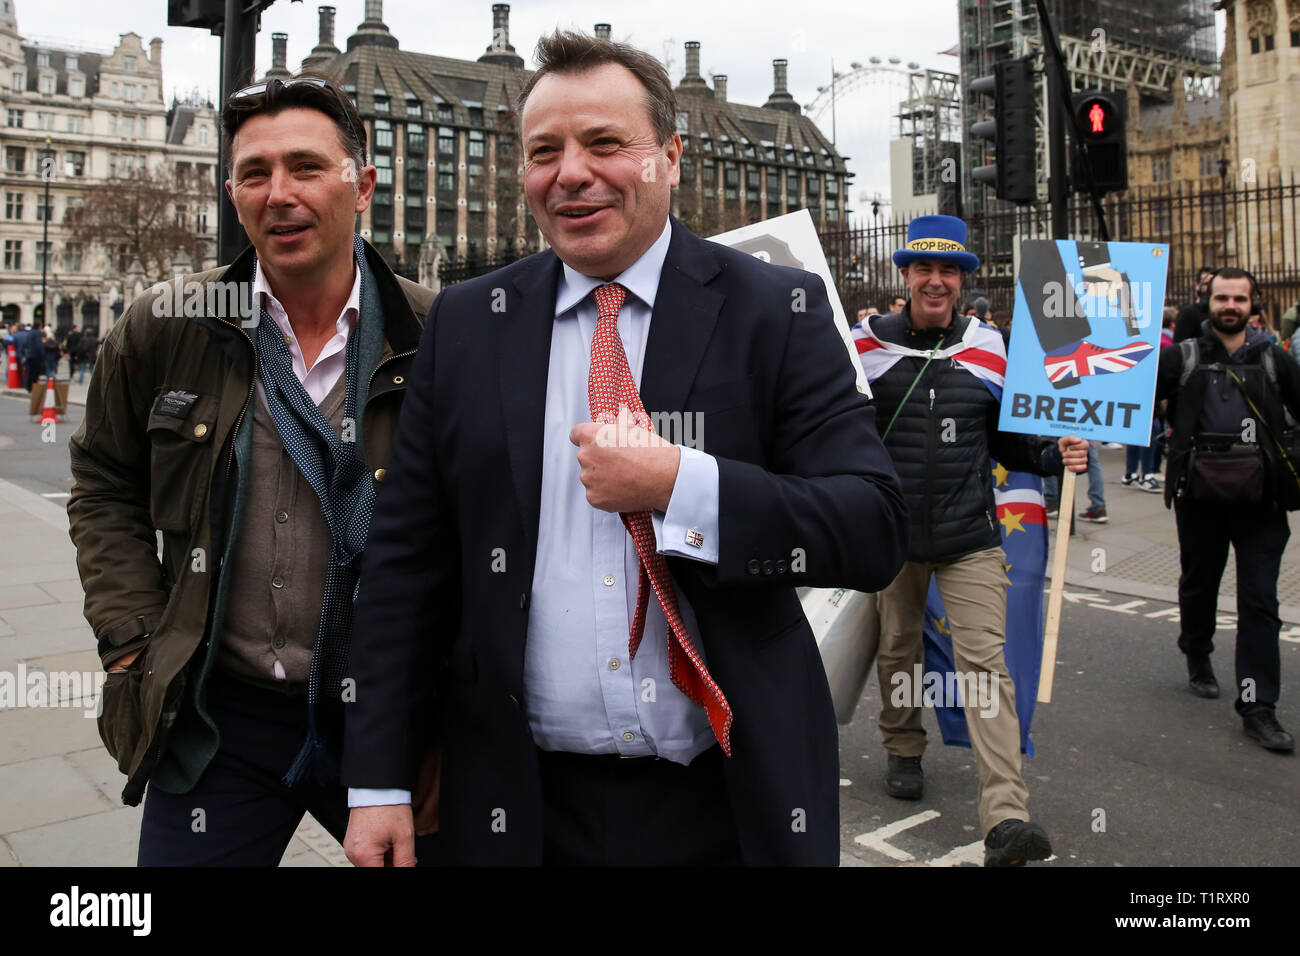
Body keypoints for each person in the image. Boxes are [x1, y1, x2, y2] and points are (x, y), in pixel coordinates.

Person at [340, 30, 908, 867]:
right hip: (520, 804)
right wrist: (378, 780)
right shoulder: (467, 322)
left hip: (726, 802)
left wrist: (685, 485)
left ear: (670, 159)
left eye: (605, 143)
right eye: (545, 151)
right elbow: (404, 564)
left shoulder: (774, 310)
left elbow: (872, 526)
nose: (571, 172)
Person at [66, 72, 439, 865]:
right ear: (232, 192)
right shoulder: (165, 327)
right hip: (214, 721)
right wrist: (134, 639)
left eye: (306, 167)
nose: (279, 193)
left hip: (385, 722)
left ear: (363, 185)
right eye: (255, 173)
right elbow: (103, 482)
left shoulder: (440, 336)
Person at [853, 214, 1090, 866]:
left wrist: (1054, 452)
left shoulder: (990, 347)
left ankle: (1006, 818)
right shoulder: (864, 346)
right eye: (924, 268)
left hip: (971, 539)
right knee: (897, 651)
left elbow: (1009, 441)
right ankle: (903, 746)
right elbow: (832, 429)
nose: (937, 280)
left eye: (949, 271)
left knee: (984, 669)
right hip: (892, 535)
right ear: (905, 275)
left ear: (961, 281)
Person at [1156, 267, 1299, 753]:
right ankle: (1197, 651)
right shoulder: (1181, 358)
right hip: (1200, 500)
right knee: (1199, 584)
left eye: (1239, 298)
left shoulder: (1275, 360)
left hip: (1262, 503)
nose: (1230, 306)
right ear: (1207, 301)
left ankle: (1258, 707)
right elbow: (1129, 399)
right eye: (1222, 298)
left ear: (1253, 304)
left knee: (1260, 602)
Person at [1172, 266, 1215, 343]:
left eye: (1213, 284)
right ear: (1197, 285)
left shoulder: (1220, 312)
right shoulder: (1187, 313)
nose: (1210, 288)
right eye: (1206, 284)